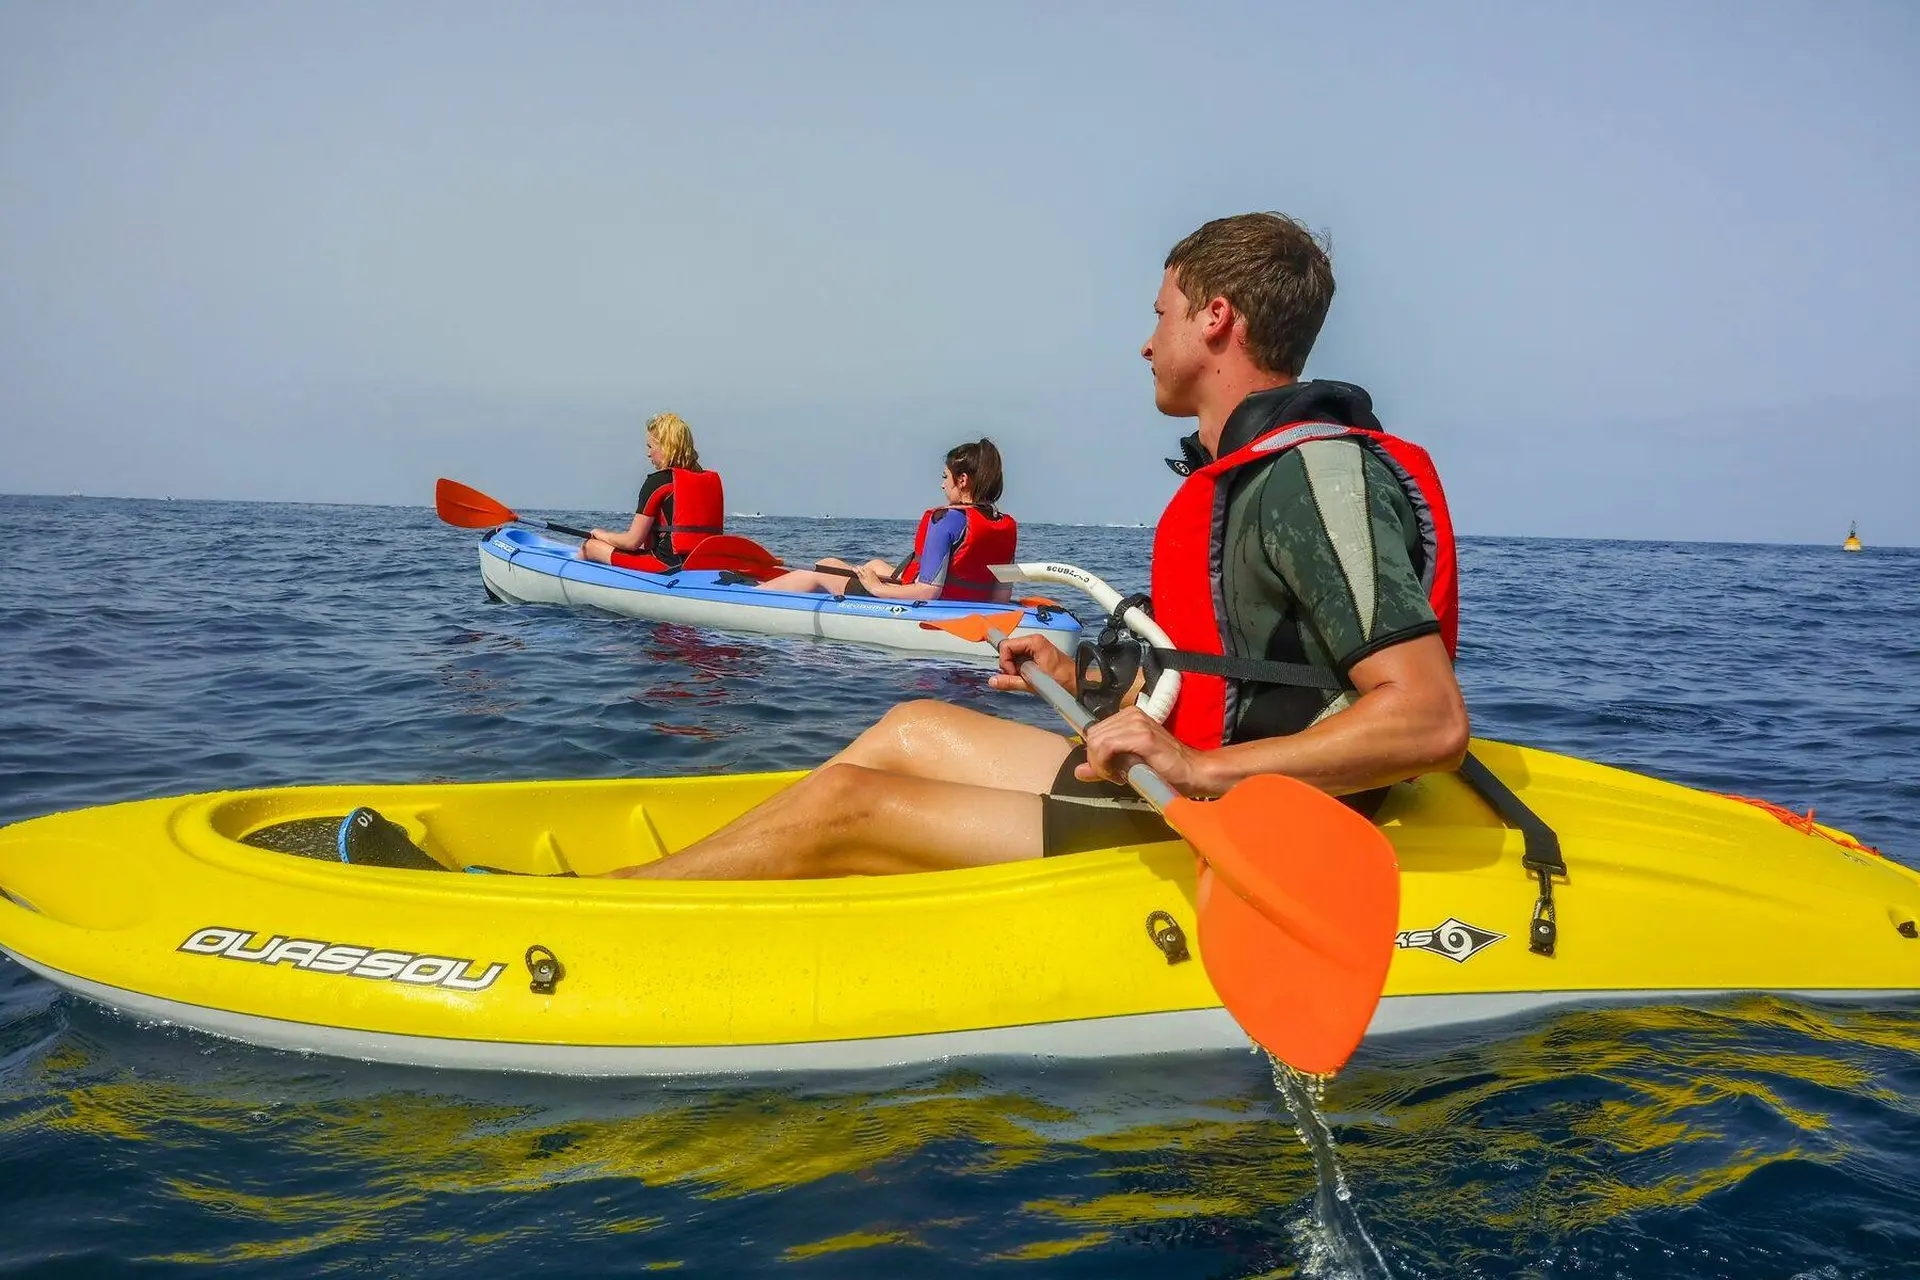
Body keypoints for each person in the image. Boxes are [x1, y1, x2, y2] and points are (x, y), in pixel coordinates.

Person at [599, 212, 1470, 879]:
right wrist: (1082, 676)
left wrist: (1199, 770)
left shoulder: (1311, 479)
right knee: (911, 727)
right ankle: (698, 878)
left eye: (1159, 314)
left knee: (847, 804)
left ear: (1215, 318)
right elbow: (1234, 674)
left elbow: (1426, 719)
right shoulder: (1244, 475)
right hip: (1196, 789)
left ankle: (613, 910)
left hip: (1251, 825)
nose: (1145, 340)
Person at [756, 440, 1018, 602]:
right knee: (856, 564)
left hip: (932, 603)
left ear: (962, 480)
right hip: (965, 600)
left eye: (945, 477)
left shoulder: (946, 520)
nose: (942, 485)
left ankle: (751, 597)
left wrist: (877, 588)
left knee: (816, 575)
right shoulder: (1005, 524)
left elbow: (928, 592)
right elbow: (1001, 596)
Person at [580, 412, 725, 572]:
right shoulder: (706, 481)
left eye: (650, 446)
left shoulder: (657, 481)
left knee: (590, 546)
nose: (648, 453)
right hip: (706, 566)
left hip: (667, 566)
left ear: (665, 447)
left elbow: (632, 541)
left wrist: (601, 534)